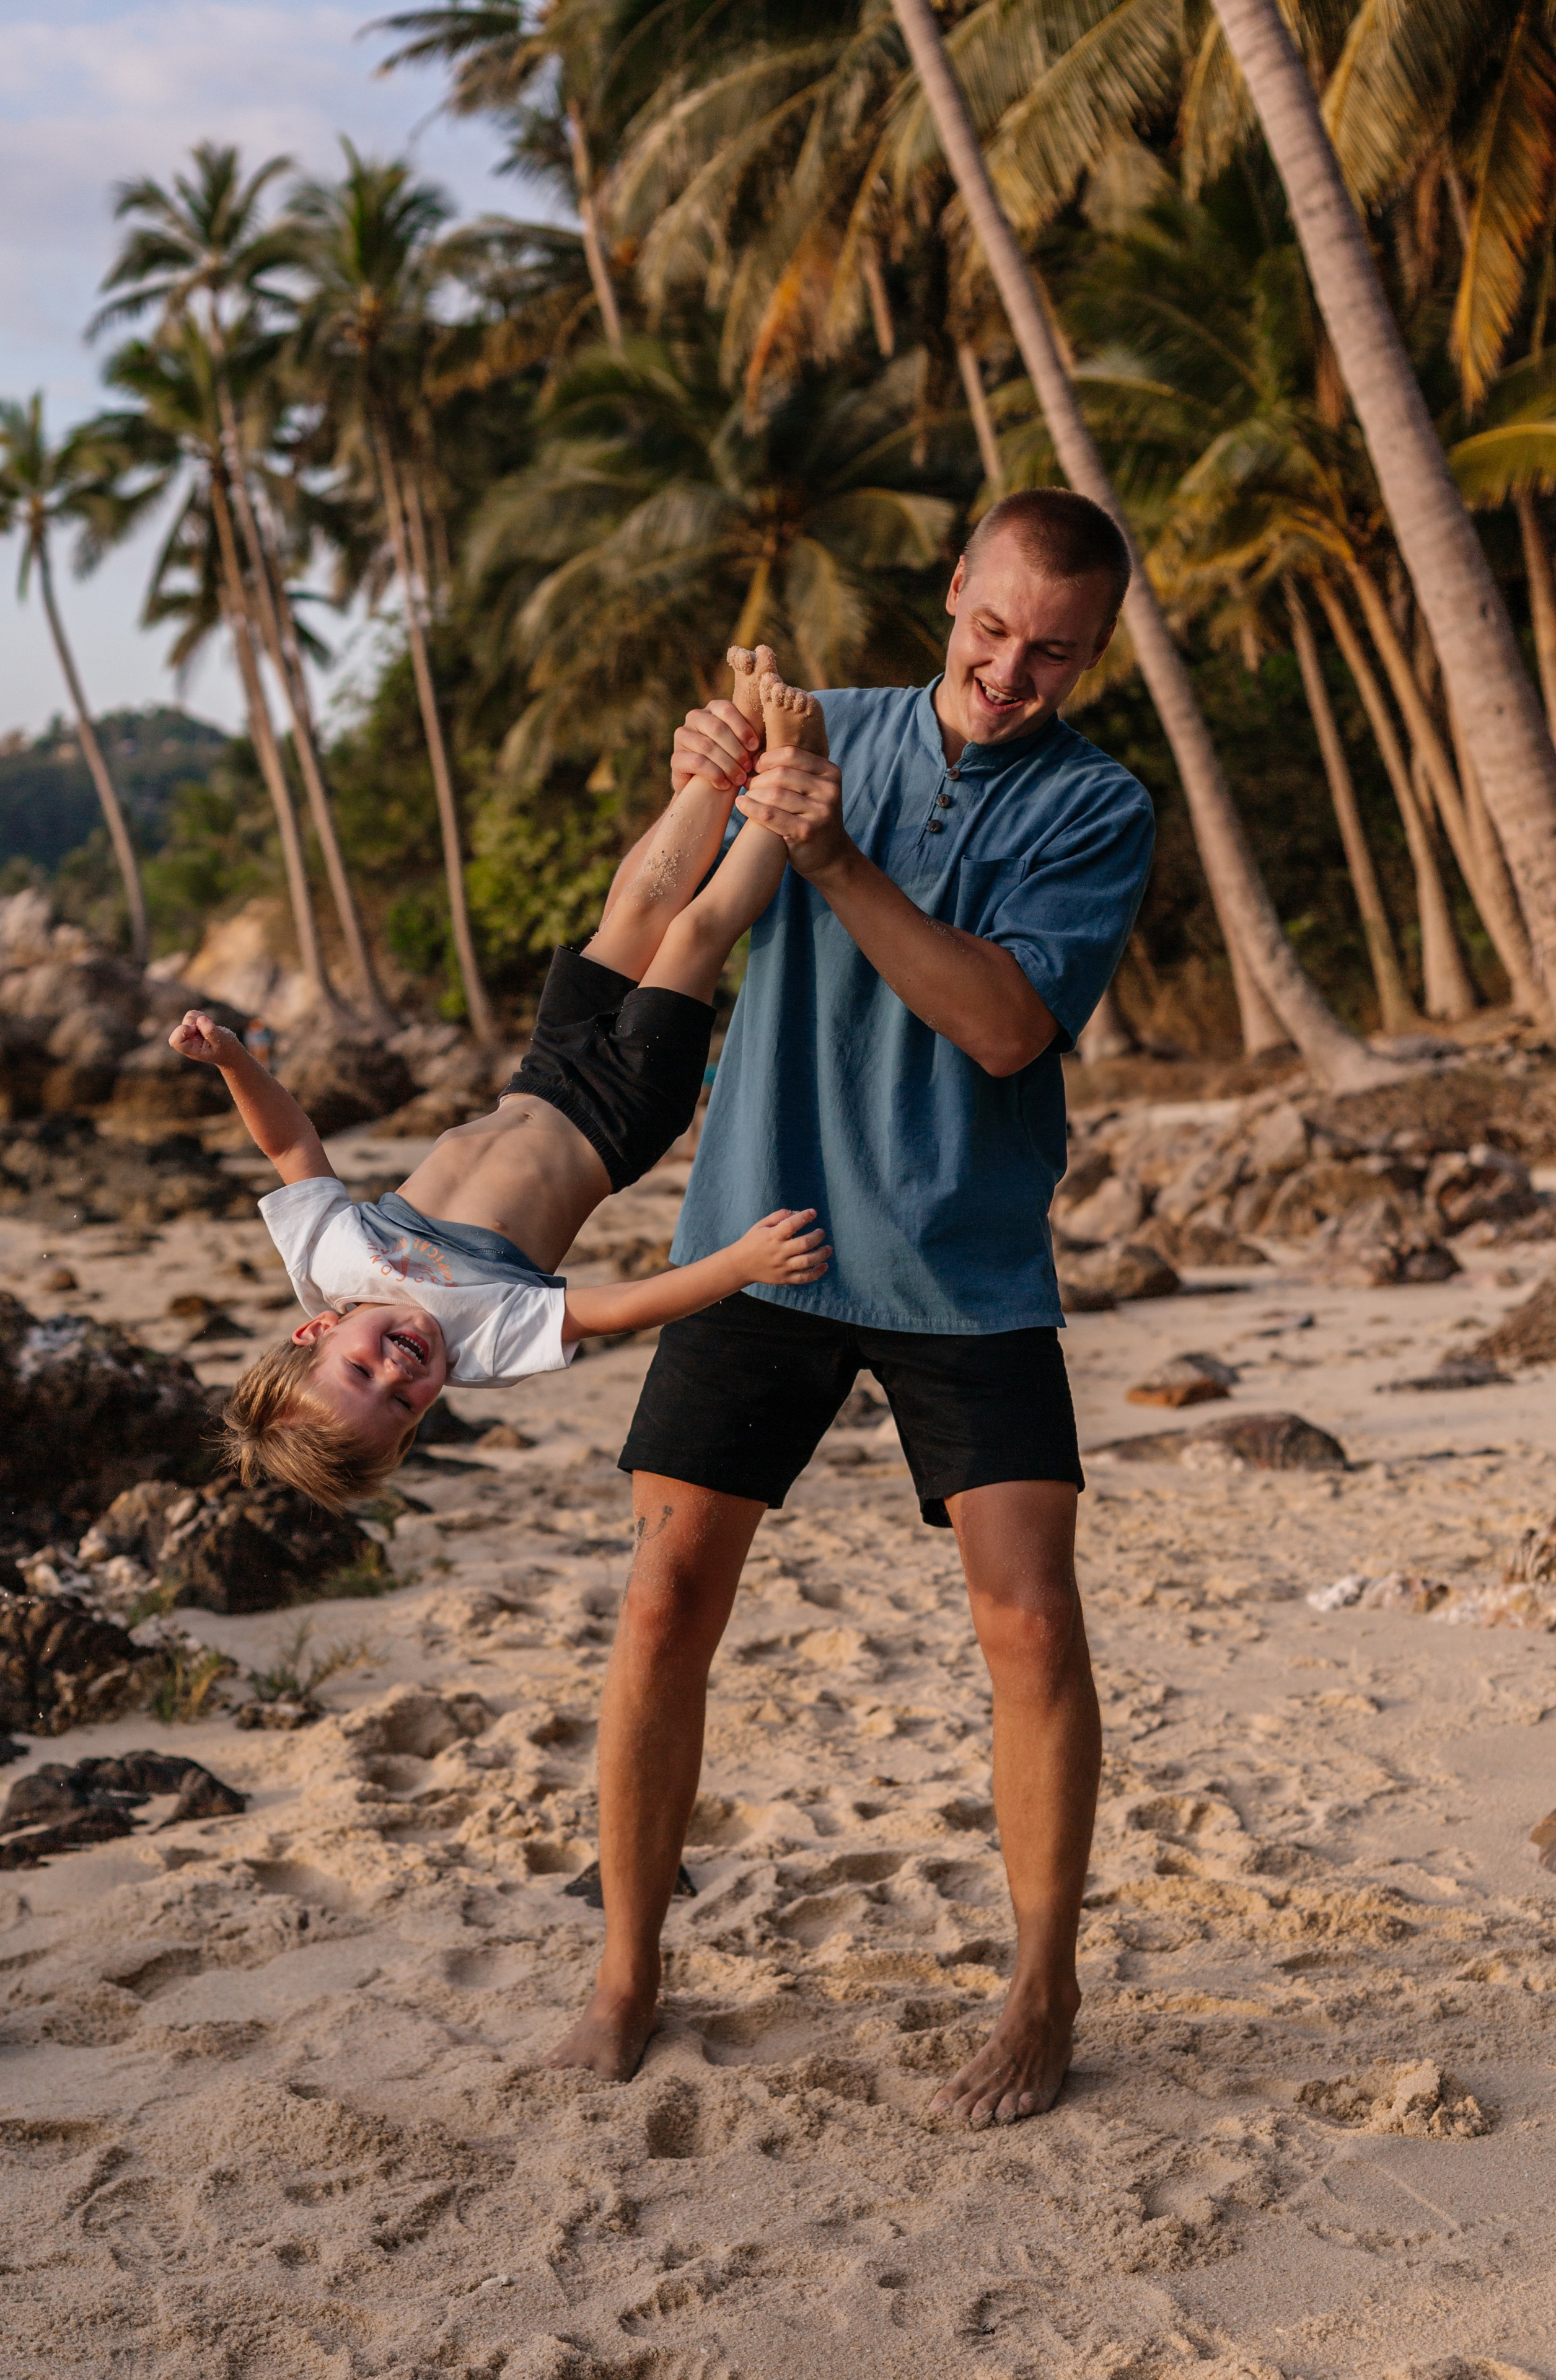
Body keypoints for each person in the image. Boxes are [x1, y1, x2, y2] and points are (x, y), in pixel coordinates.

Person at [545, 488, 1157, 2129]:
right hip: (763, 1233)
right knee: (668, 1597)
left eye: (1054, 651)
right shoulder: (823, 732)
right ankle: (626, 1968)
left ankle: (1041, 1988)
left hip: (965, 1261)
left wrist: (831, 850)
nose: (1009, 669)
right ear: (953, 589)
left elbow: (1007, 1028)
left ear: (1094, 653)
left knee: (1030, 1622)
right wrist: (706, 783)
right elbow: (656, 919)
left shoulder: (1100, 806)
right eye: (989, 628)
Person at [167, 651, 832, 1510]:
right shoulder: (486, 1342)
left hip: (544, 1070)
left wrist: (234, 1061)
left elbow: (289, 1141)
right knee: (696, 932)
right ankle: (787, 784)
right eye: (401, 1402)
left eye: (360, 1369)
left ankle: (731, 745)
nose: (397, 1371)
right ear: (420, 1420)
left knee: (633, 908)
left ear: (317, 1330)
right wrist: (739, 1263)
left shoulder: (328, 1258)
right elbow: (621, 1306)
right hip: (621, 1112)